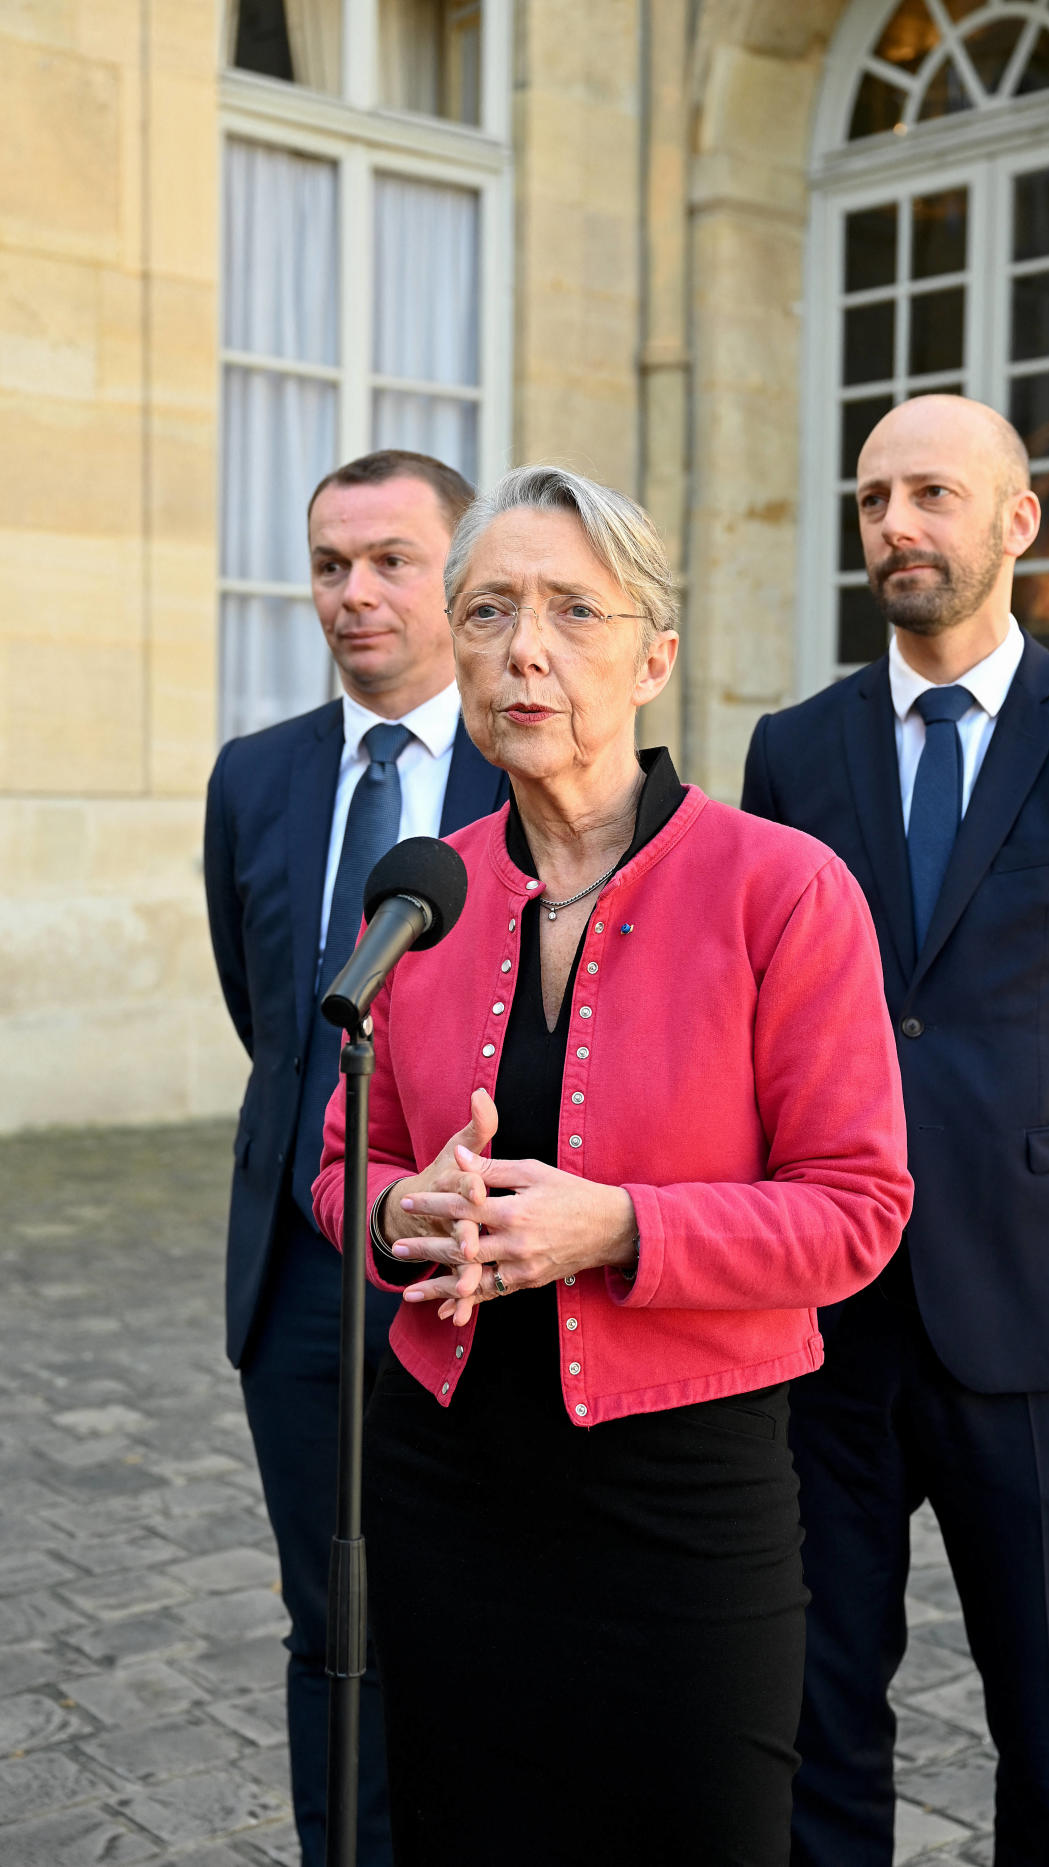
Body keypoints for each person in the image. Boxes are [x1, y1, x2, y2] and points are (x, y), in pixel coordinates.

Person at [311, 464, 914, 1867]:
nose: (523, 649)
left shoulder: (781, 887)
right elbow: (348, 1165)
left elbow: (856, 1212)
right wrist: (400, 1208)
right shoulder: (423, 887)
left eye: (571, 611)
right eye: (486, 611)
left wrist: (615, 1229)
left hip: (683, 1490)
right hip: (443, 1473)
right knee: (463, 1831)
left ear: (652, 658)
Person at [741, 395, 1049, 1867]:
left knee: (1046, 1718)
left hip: (1041, 1311)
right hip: (827, 1317)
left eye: (933, 494)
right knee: (819, 1709)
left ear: (1016, 520)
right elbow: (758, 1017)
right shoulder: (794, 750)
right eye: (875, 497)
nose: (897, 524)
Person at [203, 449, 507, 1867]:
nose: (353, 594)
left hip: (480, 1275)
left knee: (479, 1618)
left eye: (389, 561)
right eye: (330, 565)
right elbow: (268, 1016)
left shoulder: (535, 769)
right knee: (329, 1627)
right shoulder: (253, 779)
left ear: (456, 578)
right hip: (301, 1286)